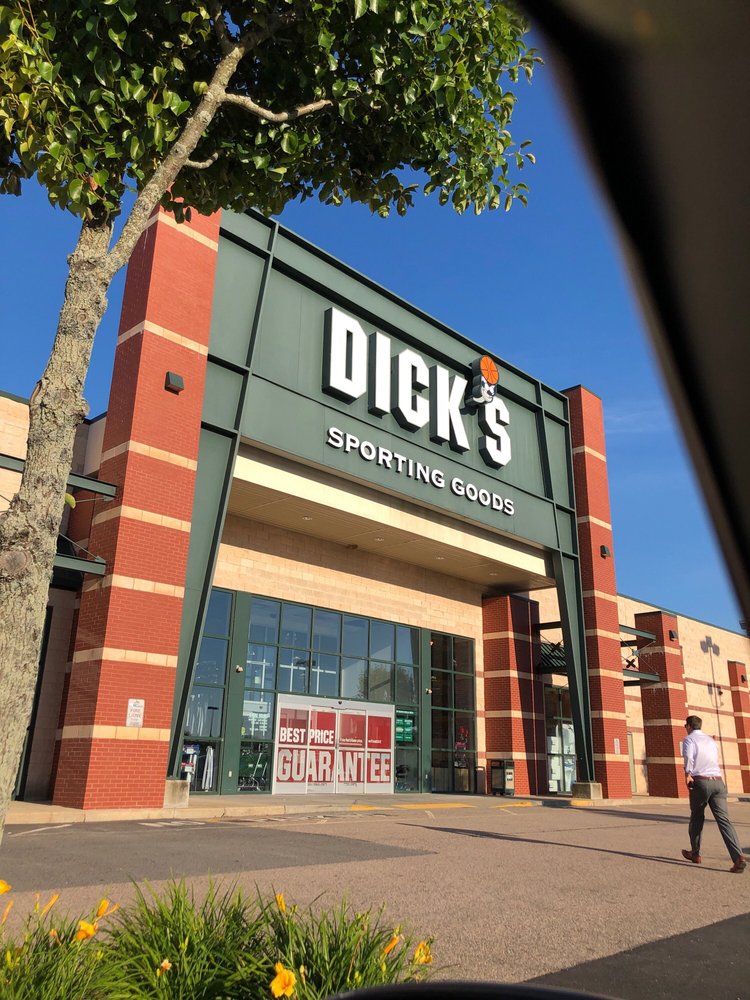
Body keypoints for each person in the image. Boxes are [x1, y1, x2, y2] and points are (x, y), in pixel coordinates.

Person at [681, 716, 746, 873]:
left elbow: (689, 757)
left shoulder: (689, 739)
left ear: (689, 726)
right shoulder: (711, 740)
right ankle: (738, 857)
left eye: (685, 726)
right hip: (718, 782)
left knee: (697, 818)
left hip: (701, 782)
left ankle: (695, 854)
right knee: (724, 820)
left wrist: (687, 774)